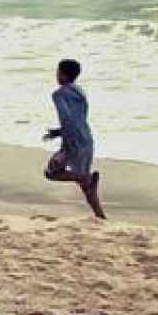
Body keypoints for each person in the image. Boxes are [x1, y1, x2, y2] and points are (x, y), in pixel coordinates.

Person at [42, 58, 105, 219]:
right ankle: (101, 217)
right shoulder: (80, 91)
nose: (56, 74)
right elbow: (79, 118)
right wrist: (57, 133)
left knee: (51, 172)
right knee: (87, 187)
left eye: (57, 71)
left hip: (73, 142)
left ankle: (85, 176)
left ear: (62, 74)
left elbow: (67, 118)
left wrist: (66, 143)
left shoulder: (58, 94)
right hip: (86, 139)